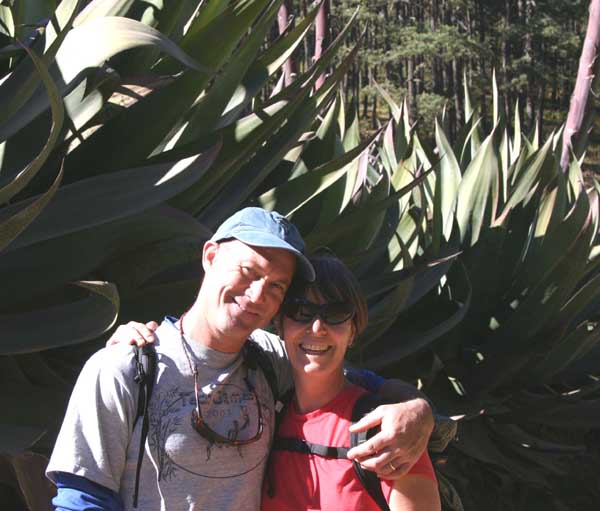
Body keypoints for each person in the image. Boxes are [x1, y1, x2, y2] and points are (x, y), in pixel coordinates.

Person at [46, 207, 434, 511]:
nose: (257, 294)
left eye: (277, 287)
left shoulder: (273, 359)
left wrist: (418, 409)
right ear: (210, 256)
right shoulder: (122, 369)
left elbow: (353, 383)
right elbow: (81, 499)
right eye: (248, 272)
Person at [261, 254, 440, 511]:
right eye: (301, 311)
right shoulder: (267, 420)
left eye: (335, 313)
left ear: (353, 331)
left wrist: (419, 407)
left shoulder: (387, 431)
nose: (317, 327)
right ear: (280, 324)